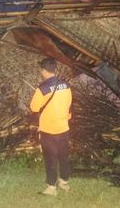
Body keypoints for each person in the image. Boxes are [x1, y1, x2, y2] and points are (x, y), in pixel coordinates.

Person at [30, 57, 72, 196]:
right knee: (64, 156)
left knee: (50, 158)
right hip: (64, 127)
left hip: (49, 129)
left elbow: (34, 108)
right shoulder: (66, 85)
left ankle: (51, 187)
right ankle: (64, 182)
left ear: (43, 71)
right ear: (54, 69)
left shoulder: (42, 88)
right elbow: (69, 104)